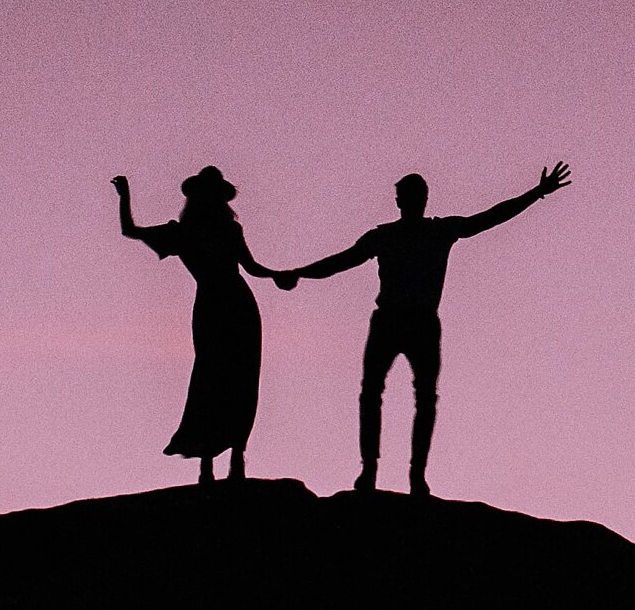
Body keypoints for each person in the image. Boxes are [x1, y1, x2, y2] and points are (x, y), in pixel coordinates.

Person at [277, 162, 569, 496]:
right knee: (380, 393)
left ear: (420, 200)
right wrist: (299, 272)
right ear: (401, 201)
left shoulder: (436, 231)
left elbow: (490, 218)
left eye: (416, 195)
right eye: (408, 195)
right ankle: (373, 470)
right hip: (391, 319)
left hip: (419, 321)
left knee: (415, 397)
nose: (413, 201)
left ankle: (412, 475)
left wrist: (536, 193)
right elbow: (341, 261)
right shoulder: (387, 236)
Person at [114, 167, 283, 486]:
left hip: (229, 305)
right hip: (221, 306)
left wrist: (277, 274)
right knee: (216, 377)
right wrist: (125, 197)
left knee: (238, 378)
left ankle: (232, 458)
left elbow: (252, 267)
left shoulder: (210, 232)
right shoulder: (187, 232)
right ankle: (212, 460)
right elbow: (131, 231)